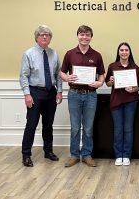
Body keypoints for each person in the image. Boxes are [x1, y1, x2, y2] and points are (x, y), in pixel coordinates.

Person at [60, 25, 105, 167]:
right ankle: (74, 155)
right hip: (74, 94)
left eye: (87, 35)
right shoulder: (70, 54)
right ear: (78, 36)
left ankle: (86, 154)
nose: (84, 37)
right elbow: (61, 72)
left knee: (88, 127)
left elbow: (102, 75)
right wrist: (67, 78)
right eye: (82, 34)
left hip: (91, 95)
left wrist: (99, 83)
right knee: (75, 127)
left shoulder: (96, 55)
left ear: (91, 37)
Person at [19, 25, 63, 167]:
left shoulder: (54, 54)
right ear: (37, 37)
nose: (45, 37)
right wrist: (27, 95)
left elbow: (58, 75)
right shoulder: (28, 54)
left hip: (51, 92)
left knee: (48, 125)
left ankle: (48, 151)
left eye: (47, 35)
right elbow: (23, 76)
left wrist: (60, 91)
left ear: (50, 38)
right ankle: (26, 155)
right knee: (31, 125)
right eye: (42, 34)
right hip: (35, 92)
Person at [105, 42, 139, 166]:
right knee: (118, 129)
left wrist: (133, 89)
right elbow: (108, 84)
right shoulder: (112, 66)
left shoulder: (135, 67)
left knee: (128, 129)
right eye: (122, 50)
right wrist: (111, 81)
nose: (124, 52)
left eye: (126, 50)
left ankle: (126, 155)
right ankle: (118, 155)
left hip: (130, 102)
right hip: (116, 101)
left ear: (129, 52)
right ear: (118, 52)